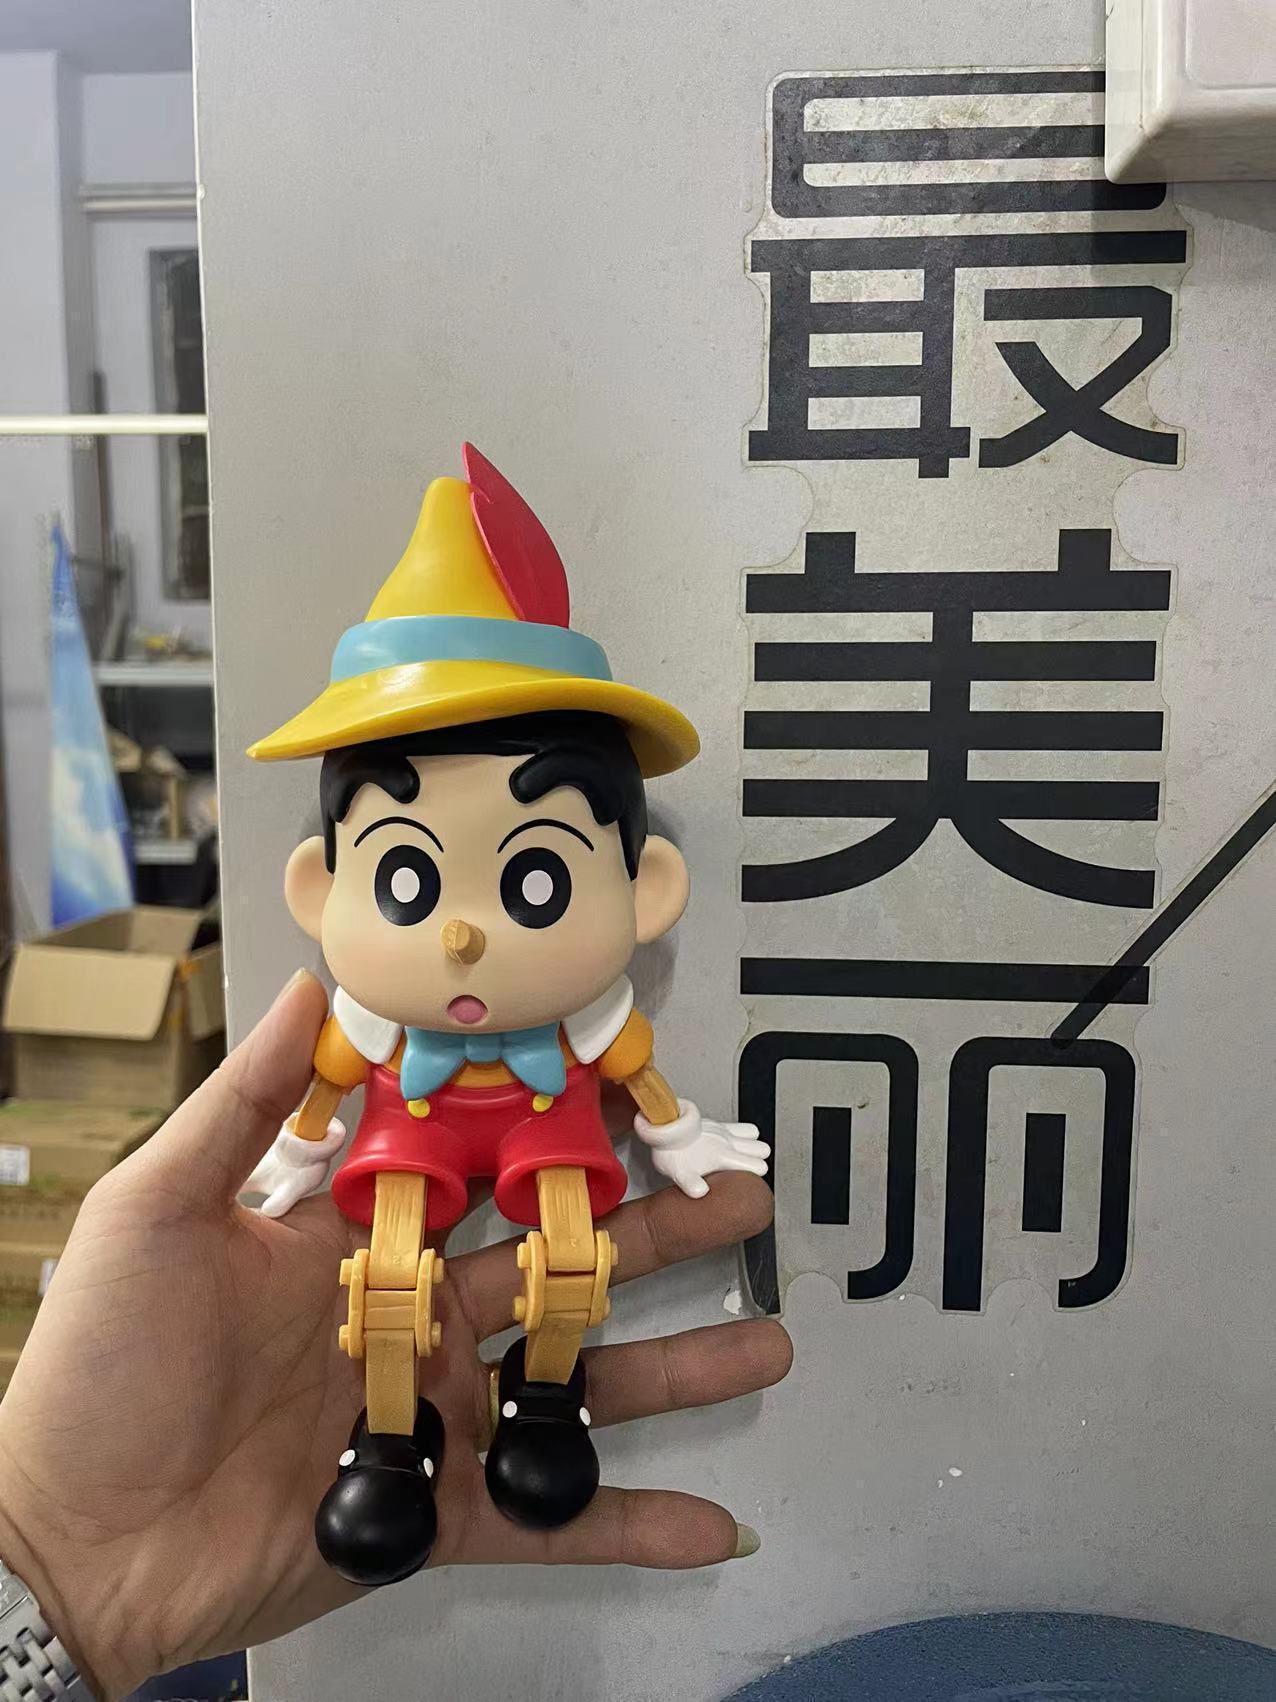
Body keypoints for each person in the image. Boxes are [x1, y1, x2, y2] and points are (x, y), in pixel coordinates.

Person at [0, 971, 792, 1699]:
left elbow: (637, 1073)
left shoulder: (585, 1011)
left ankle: (545, 1396)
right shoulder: (376, 1014)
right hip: (410, 1137)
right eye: (412, 886)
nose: (464, 937)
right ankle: (387, 1443)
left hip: (550, 1127)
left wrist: (679, 1133)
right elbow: (328, 1084)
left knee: (574, 1261)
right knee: (383, 1282)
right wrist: (295, 1150)